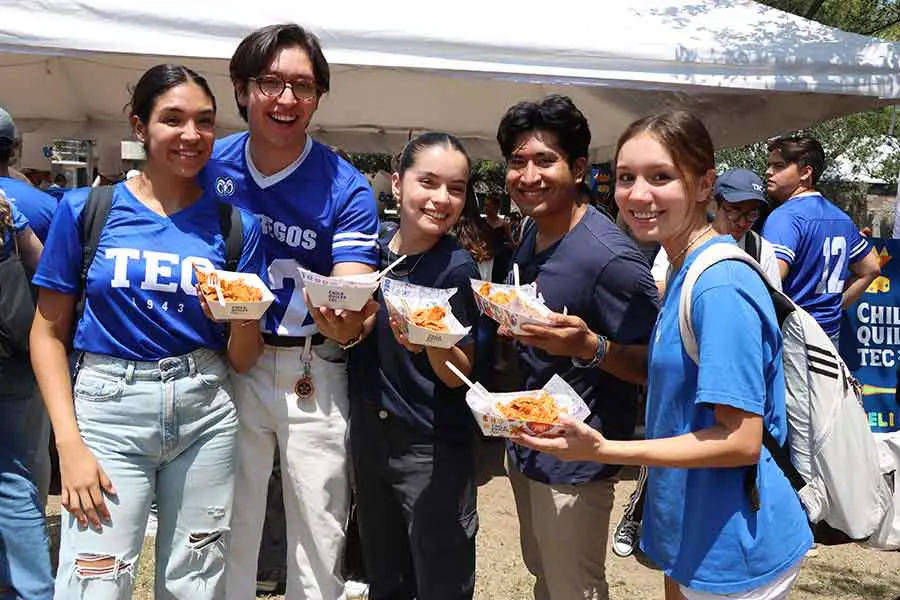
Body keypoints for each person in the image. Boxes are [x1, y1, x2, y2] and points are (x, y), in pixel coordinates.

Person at [517, 109, 812, 600]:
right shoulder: (682, 267)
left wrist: (607, 450)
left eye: (660, 177)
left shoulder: (720, 285)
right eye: (626, 177)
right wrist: (591, 345)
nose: (637, 194)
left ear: (703, 185)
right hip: (691, 532)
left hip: (734, 545)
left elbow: (739, 439)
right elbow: (676, 387)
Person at [29, 64, 266, 599]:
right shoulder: (87, 209)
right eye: (173, 119)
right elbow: (46, 334)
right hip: (107, 411)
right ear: (139, 127)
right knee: (95, 579)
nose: (191, 135)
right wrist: (68, 444)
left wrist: (245, 321)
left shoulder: (235, 227)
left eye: (204, 122)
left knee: (195, 583)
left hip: (205, 410)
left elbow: (244, 358)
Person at [199, 24, 380, 600]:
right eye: (271, 82)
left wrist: (350, 318)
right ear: (241, 88)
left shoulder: (344, 184)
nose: (286, 99)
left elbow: (355, 289)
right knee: (228, 518)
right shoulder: (208, 164)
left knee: (319, 523)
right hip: (229, 362)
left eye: (302, 86)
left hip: (312, 364)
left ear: (319, 97)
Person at [496, 94, 659, 600]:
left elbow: (656, 365)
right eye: (517, 162)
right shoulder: (532, 232)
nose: (529, 176)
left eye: (546, 161)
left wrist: (591, 347)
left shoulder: (609, 257)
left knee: (574, 590)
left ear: (580, 167)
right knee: (546, 579)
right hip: (526, 445)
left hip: (576, 463)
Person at [348, 132, 480, 600]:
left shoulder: (456, 269)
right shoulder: (367, 252)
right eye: (428, 182)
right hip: (369, 438)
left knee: (439, 578)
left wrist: (432, 342)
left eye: (457, 188)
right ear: (398, 183)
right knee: (385, 578)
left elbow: (461, 374)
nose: (442, 199)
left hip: (430, 447)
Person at [762, 135, 880, 348]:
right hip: (829, 336)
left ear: (806, 173)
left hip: (792, 337)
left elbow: (770, 279)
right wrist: (834, 307)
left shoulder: (785, 217)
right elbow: (871, 268)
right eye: (770, 165)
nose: (769, 172)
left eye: (779, 166)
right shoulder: (840, 218)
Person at [0, 106, 59, 508]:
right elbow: (57, 274)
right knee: (28, 454)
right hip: (25, 343)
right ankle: (29, 529)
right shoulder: (41, 206)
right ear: (15, 150)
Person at [0, 190, 51, 600]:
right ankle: (33, 590)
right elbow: (43, 265)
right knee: (15, 480)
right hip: (13, 353)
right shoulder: (10, 206)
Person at [650, 168, 781, 296]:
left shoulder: (761, 250)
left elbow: (773, 303)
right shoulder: (685, 242)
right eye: (734, 210)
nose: (742, 222)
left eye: (752, 214)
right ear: (714, 205)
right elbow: (657, 289)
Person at [482, 195, 512, 281]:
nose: (485, 208)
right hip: (486, 259)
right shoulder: (481, 222)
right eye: (485, 205)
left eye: (488, 205)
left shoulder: (504, 224)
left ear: (495, 207)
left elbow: (511, 242)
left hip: (500, 261)